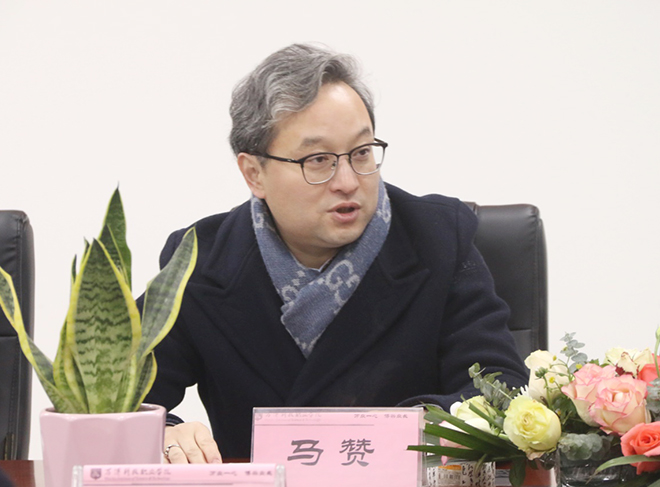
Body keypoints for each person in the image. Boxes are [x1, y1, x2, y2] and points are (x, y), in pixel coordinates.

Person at [144, 43, 528, 464]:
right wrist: (166, 433)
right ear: (254, 173)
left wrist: (390, 436)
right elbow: (116, 399)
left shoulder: (437, 238)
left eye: (361, 153)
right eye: (318, 160)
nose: (347, 181)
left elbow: (499, 389)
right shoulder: (200, 260)